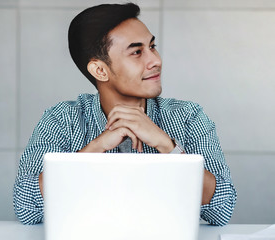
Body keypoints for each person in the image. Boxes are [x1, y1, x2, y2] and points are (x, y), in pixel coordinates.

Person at [13, 3, 237, 226]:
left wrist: (167, 145)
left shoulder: (188, 116)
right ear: (100, 70)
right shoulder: (61, 119)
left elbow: (222, 210)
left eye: (152, 46)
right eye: (137, 52)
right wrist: (94, 149)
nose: (156, 60)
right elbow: (25, 208)